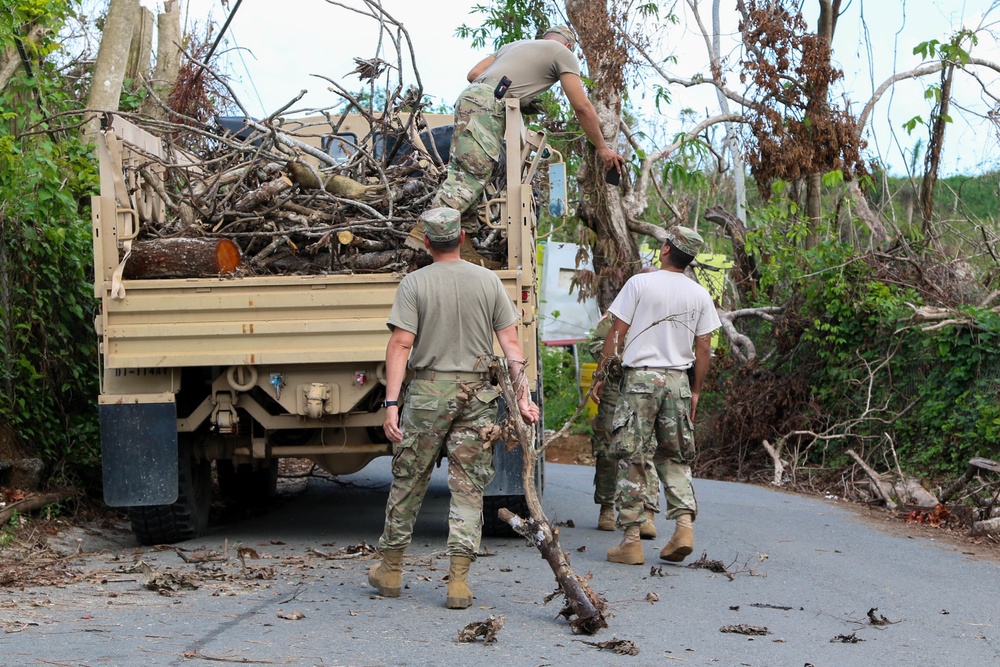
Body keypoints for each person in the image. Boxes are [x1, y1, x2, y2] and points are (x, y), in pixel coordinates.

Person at [369, 207, 540, 609]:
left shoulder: (414, 284)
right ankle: (459, 583)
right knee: (468, 487)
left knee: (409, 480)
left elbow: (400, 344)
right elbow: (512, 347)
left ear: (426, 241)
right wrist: (522, 398)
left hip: (428, 394)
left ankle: (390, 570)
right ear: (462, 238)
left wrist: (391, 403)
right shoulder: (489, 282)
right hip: (479, 397)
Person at [408, 25, 626, 256]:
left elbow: (473, 75)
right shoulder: (563, 53)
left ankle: (465, 245)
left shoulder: (514, 46)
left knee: (471, 172)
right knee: (473, 174)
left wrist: (517, 99)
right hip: (489, 105)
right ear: (569, 44)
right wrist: (602, 148)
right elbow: (582, 106)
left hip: (470, 98)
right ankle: (425, 233)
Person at [592, 226, 721, 566]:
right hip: (677, 380)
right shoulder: (699, 294)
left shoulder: (639, 283)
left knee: (632, 456)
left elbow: (616, 333)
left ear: (665, 249)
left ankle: (631, 542)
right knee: (674, 457)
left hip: (640, 381)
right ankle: (683, 527)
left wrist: (602, 375)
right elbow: (704, 346)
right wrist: (694, 390)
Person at [587, 270, 660, 538]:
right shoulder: (618, 312)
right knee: (607, 447)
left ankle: (647, 512)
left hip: (646, 390)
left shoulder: (663, 314)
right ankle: (607, 507)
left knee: (646, 450)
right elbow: (597, 344)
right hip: (616, 387)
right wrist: (620, 357)